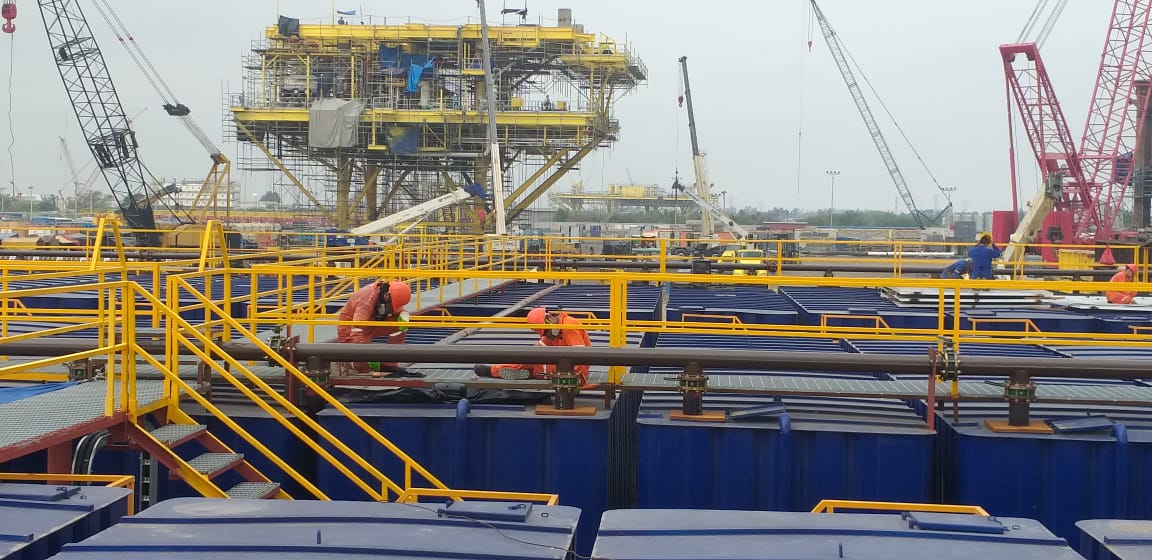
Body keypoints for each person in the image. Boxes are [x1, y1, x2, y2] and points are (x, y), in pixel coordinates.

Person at [474, 307, 592, 385]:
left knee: (538, 366)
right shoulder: (554, 328)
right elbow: (541, 346)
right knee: (526, 360)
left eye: (545, 332)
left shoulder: (569, 327)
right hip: (562, 366)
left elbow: (580, 356)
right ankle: (496, 370)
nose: (547, 334)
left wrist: (570, 378)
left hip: (572, 373)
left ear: (549, 319)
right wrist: (527, 357)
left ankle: (527, 372)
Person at [335, 279, 412, 375]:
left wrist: (403, 315)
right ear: (386, 296)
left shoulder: (388, 294)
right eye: (392, 306)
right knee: (361, 362)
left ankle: (390, 364)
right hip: (350, 329)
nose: (392, 309)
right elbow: (358, 329)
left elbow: (397, 307)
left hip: (371, 322)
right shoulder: (367, 299)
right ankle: (356, 364)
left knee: (400, 324)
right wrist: (367, 355)